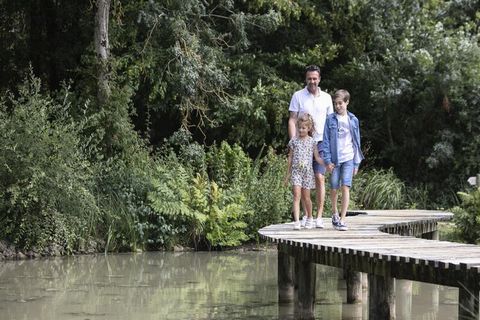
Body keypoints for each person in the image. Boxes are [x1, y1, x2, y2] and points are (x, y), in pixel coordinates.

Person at [288, 65, 333, 229]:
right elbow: (292, 120)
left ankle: (319, 217)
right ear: (306, 79)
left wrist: (330, 146)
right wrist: (294, 142)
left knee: (320, 178)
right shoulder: (298, 96)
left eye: (315, 78)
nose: (312, 81)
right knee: (302, 186)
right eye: (309, 78)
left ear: (319, 79)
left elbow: (330, 124)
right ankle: (308, 217)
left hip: (320, 142)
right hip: (302, 144)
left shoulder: (327, 98)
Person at [322, 89, 364, 231]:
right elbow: (326, 141)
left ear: (347, 102)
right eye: (336, 104)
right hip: (334, 160)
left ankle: (342, 219)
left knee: (345, 186)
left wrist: (356, 163)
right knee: (334, 187)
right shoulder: (330, 120)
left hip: (349, 158)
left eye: (340, 103)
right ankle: (334, 212)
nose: (338, 106)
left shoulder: (353, 120)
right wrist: (327, 161)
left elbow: (357, 141)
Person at [285, 114, 325, 230]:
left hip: (307, 173)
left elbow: (317, 158)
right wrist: (287, 174)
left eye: (303, 128)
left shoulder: (312, 142)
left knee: (306, 197)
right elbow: (290, 158)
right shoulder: (294, 141)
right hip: (296, 172)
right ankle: (296, 221)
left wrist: (326, 163)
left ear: (309, 128)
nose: (301, 130)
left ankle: (310, 217)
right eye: (299, 128)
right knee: (296, 195)